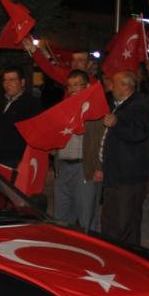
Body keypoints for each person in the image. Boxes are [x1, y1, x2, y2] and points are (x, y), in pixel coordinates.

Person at [99, 71, 149, 245]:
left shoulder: (139, 104)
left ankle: (125, 256)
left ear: (126, 86)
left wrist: (117, 123)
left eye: (114, 83)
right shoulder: (116, 104)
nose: (110, 86)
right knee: (111, 219)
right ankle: (114, 253)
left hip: (129, 176)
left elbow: (139, 133)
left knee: (125, 221)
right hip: (114, 173)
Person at [53, 70, 105, 232]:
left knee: (86, 215)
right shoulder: (62, 108)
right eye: (70, 86)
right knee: (61, 215)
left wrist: (99, 167)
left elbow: (103, 141)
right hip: (63, 166)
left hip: (85, 167)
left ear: (87, 86)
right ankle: (65, 249)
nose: (74, 89)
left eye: (77, 85)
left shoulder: (96, 110)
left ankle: (90, 247)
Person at [0, 67, 41, 167]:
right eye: (5, 80)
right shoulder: (2, 102)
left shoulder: (32, 103)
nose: (7, 84)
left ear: (22, 82)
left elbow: (35, 133)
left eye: (12, 80)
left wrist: (25, 159)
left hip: (17, 160)